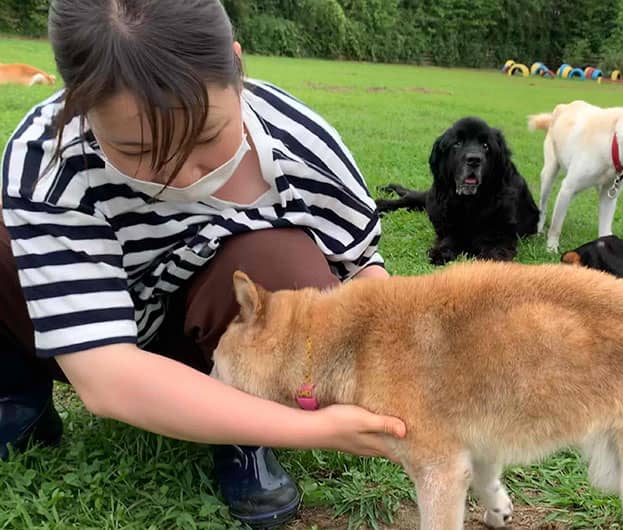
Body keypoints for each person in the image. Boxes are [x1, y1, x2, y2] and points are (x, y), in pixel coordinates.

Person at [0, 1, 406, 527]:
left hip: (220, 339)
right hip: (91, 336)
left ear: (237, 69)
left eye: (208, 136)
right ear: (77, 103)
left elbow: (363, 271)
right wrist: (318, 431)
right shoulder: (46, 158)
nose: (179, 174)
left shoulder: (300, 145)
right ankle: (19, 395)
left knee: (281, 263)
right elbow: (107, 376)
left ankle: (245, 434)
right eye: (138, 149)